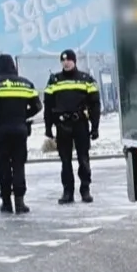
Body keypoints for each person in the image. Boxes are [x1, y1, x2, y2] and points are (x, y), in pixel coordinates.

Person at [0, 53, 41, 214]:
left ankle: (6, 203)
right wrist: (22, 116)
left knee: (4, 166)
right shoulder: (26, 84)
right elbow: (37, 106)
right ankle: (20, 203)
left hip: (1, 131)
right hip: (20, 131)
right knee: (19, 165)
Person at [44, 48, 102, 204]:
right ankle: (67, 192)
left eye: (68, 59)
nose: (66, 63)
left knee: (83, 159)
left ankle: (85, 190)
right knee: (65, 161)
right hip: (62, 126)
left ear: (74, 61)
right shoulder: (54, 81)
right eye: (63, 60)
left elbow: (95, 104)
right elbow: (48, 105)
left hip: (80, 125)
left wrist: (95, 127)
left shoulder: (86, 79)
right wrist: (48, 128)